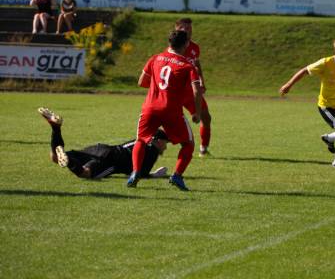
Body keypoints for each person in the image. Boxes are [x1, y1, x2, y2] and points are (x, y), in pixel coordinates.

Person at [129, 29, 203, 191]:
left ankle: (135, 172)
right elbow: (197, 91)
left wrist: (158, 87)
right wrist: (196, 112)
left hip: (150, 108)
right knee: (188, 144)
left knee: (141, 140)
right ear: (185, 45)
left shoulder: (155, 58)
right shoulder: (187, 65)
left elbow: (142, 82)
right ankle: (176, 175)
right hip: (171, 110)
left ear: (169, 43)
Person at [279, 37, 335, 169]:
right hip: (327, 106)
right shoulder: (326, 63)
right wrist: (289, 84)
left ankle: (329, 138)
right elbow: (305, 70)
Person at [38, 107, 168, 179]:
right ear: (156, 140)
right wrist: (155, 175)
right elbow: (140, 174)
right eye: (165, 142)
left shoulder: (141, 139)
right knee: (85, 173)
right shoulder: (152, 151)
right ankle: (69, 162)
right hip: (110, 159)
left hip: (100, 149)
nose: (166, 147)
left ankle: (56, 127)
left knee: (55, 157)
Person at [173, 17, 212, 156]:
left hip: (191, 91)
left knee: (206, 117)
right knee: (168, 120)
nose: (187, 31)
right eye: (183, 28)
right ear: (176, 29)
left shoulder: (195, 47)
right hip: (175, 91)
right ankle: (153, 145)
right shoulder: (174, 48)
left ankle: (203, 149)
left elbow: (196, 64)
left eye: (189, 28)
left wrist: (201, 80)